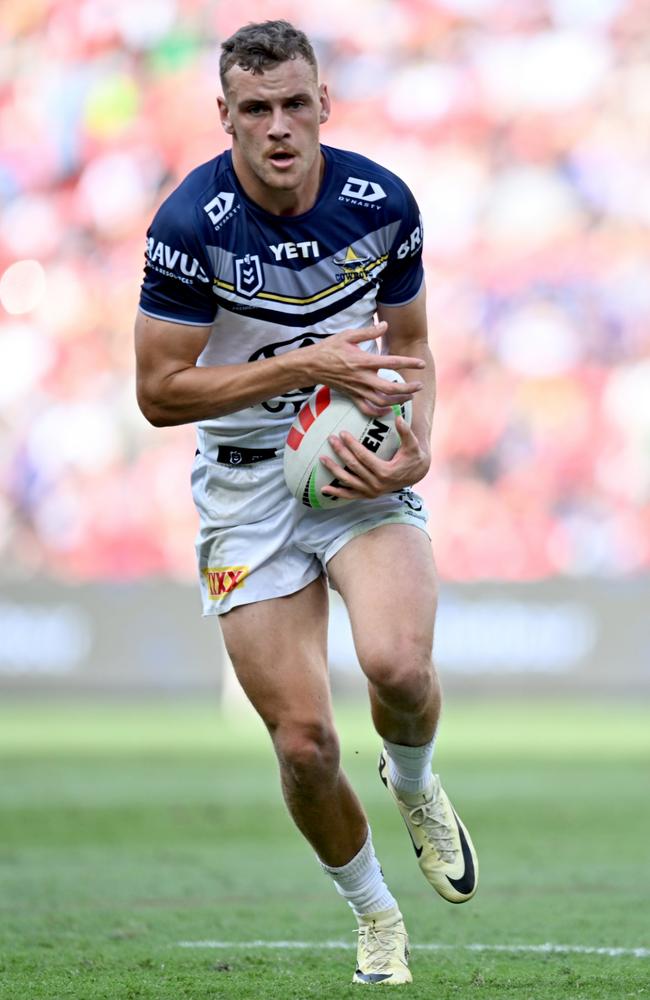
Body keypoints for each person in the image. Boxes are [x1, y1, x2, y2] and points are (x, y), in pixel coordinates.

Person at [135, 19, 478, 986]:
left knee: (400, 670)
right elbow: (159, 394)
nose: (279, 127)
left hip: (355, 469)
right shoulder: (188, 225)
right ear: (225, 116)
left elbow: (413, 349)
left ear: (325, 103)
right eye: (256, 109)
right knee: (303, 742)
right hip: (246, 485)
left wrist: (416, 447)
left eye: (295, 104)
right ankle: (375, 916)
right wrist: (304, 364)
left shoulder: (383, 203)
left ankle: (413, 784)